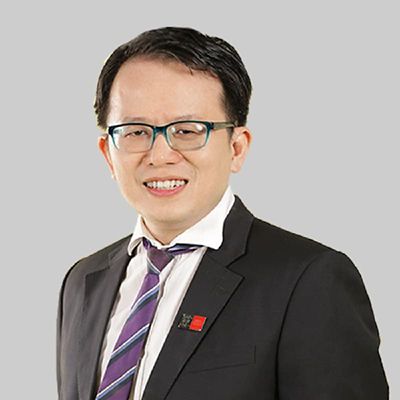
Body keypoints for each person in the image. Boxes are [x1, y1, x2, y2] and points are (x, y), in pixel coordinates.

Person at [56, 27, 388, 400]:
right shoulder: (83, 281)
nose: (160, 154)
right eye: (135, 131)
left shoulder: (309, 280)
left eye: (187, 130)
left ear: (237, 147)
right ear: (108, 153)